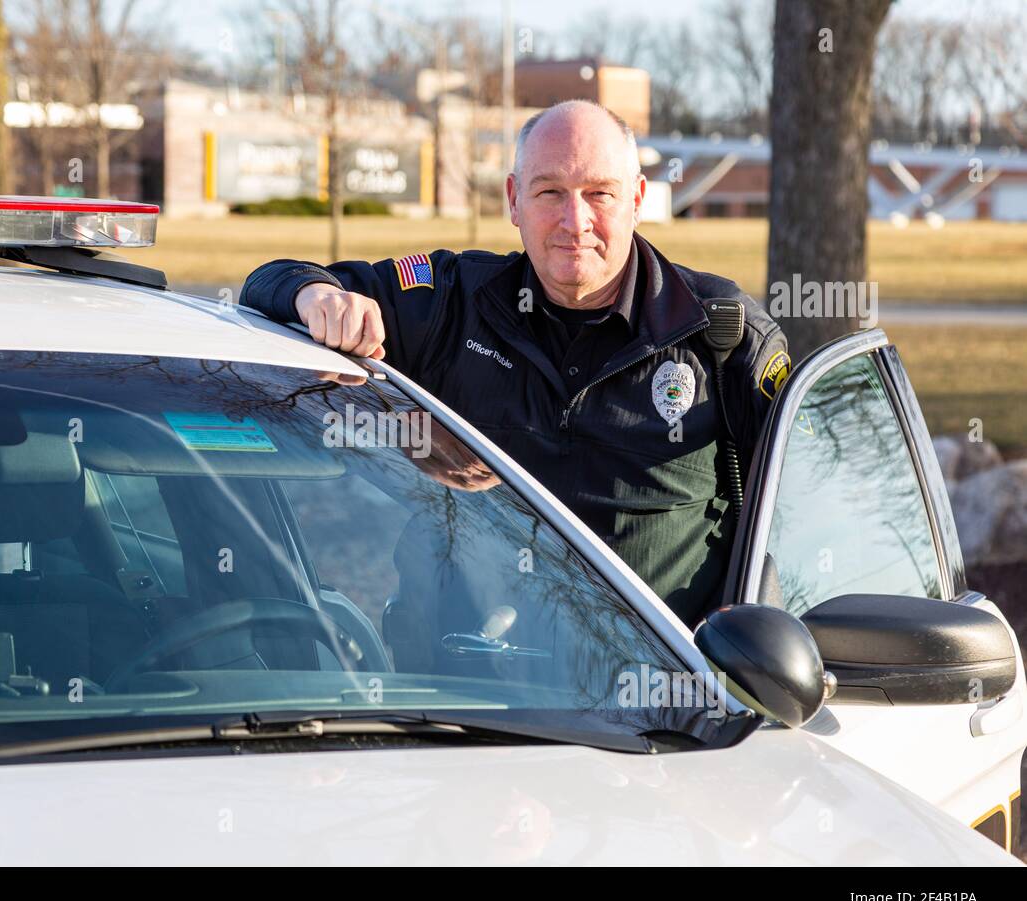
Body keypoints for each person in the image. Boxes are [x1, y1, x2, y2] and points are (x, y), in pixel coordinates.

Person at [240, 100, 790, 626]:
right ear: (512, 200)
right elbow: (271, 280)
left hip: (657, 689)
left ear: (638, 198)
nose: (575, 221)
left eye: (600, 193)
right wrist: (317, 297)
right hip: (461, 687)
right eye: (550, 191)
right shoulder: (454, 302)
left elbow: (797, 510)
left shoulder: (719, 333)